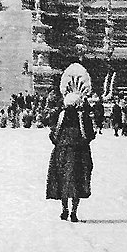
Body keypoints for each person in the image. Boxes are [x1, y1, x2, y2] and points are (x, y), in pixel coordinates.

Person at [46, 91, 96, 222]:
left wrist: (59, 143)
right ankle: (74, 212)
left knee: (63, 180)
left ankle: (64, 209)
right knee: (77, 181)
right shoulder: (83, 117)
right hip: (80, 153)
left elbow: (53, 134)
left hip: (62, 152)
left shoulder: (61, 115)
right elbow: (90, 135)